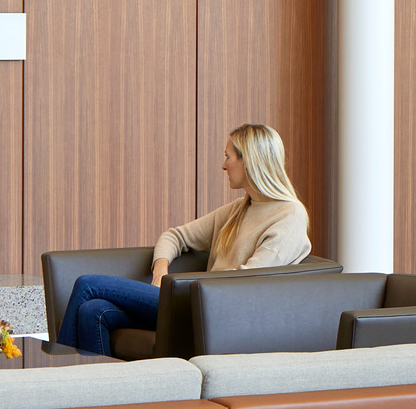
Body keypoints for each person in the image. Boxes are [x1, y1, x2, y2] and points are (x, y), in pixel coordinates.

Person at [56, 123, 311, 357]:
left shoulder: (290, 215)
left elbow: (246, 283)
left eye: (227, 157)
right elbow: (174, 236)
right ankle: (100, 397)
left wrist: (182, 289)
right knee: (93, 311)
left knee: (88, 284)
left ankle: (56, 379)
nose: (223, 166)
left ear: (250, 161)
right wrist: (160, 272)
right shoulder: (240, 208)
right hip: (196, 303)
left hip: (214, 312)